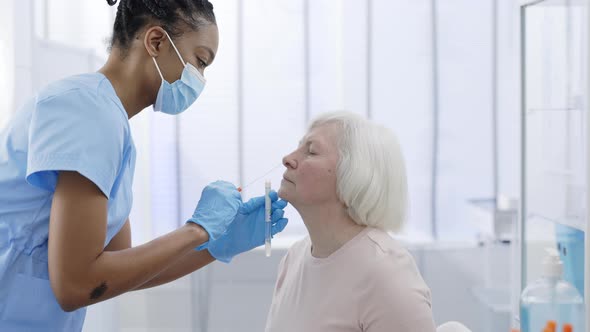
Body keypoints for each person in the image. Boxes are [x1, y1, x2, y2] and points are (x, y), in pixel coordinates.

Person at [0, 0, 288, 330]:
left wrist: (215, 244)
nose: (200, 79)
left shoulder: (111, 126)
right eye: (200, 61)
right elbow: (76, 285)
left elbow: (121, 272)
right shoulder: (87, 113)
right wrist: (197, 229)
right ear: (156, 42)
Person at [265, 112, 436, 332]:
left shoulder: (386, 274)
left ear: (354, 176)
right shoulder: (294, 258)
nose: (288, 158)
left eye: (311, 151)